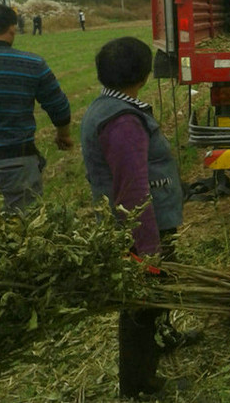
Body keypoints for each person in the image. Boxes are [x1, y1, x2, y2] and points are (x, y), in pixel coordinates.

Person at [80, 37, 187, 399]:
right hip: (140, 231)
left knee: (151, 300)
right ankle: (139, 383)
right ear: (143, 74)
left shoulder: (110, 106)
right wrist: (147, 251)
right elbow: (133, 190)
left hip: (138, 228)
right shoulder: (123, 121)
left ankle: (155, 350)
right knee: (141, 305)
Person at [0, 4, 72, 212]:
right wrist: (63, 135)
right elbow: (59, 107)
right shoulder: (32, 64)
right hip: (16, 159)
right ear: (12, 29)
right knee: (23, 228)